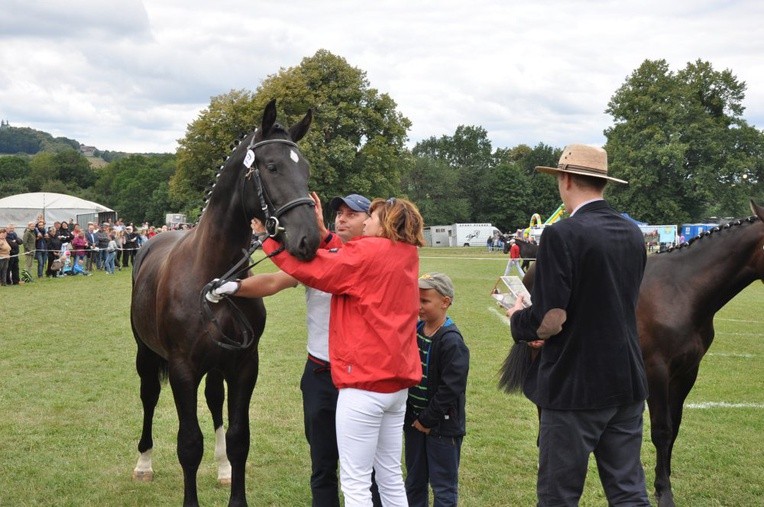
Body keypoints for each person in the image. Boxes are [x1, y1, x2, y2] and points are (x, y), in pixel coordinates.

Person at [209, 193, 383, 507]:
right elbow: (276, 280)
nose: (341, 218)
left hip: (360, 376)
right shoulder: (318, 254)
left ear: (370, 221)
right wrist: (234, 286)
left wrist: (266, 239)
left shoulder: (373, 258)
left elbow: (307, 266)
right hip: (319, 372)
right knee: (322, 463)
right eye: (338, 213)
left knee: (363, 466)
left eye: (352, 214)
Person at [506, 144, 649, 506]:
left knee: (559, 496)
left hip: (574, 387)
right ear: (602, 182)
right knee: (629, 491)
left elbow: (552, 320)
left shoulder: (562, 234)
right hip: (627, 380)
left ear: (565, 179)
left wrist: (519, 319)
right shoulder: (632, 233)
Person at [259, 195, 424, 506]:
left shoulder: (368, 251)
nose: (367, 223)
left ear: (384, 223)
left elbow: (314, 270)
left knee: (356, 482)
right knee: (389, 474)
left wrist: (266, 240)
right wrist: (324, 231)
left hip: (363, 384)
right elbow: (347, 253)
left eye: (371, 218)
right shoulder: (405, 252)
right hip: (396, 385)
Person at [404, 272, 469, 507]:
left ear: (445, 302)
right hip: (414, 423)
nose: (418, 306)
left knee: (443, 486)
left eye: (425, 301)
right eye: (416, 300)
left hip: (442, 426)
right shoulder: (417, 330)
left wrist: (428, 419)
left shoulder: (451, 341)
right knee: (414, 480)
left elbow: (451, 387)